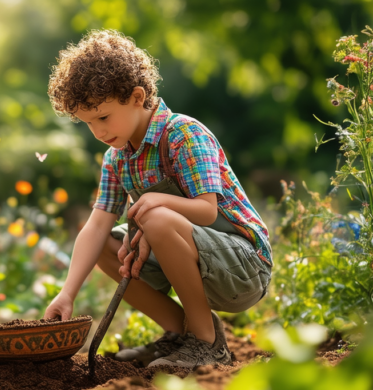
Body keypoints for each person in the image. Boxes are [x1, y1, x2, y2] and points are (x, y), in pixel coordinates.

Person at [44, 30, 272, 368]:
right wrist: (67, 293)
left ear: (137, 97)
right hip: (194, 259)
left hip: (243, 267)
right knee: (105, 242)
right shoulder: (117, 158)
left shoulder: (183, 134)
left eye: (103, 117)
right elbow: (95, 227)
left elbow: (207, 211)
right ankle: (181, 333)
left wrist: (156, 206)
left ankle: (207, 342)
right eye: (88, 123)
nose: (99, 132)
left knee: (157, 218)